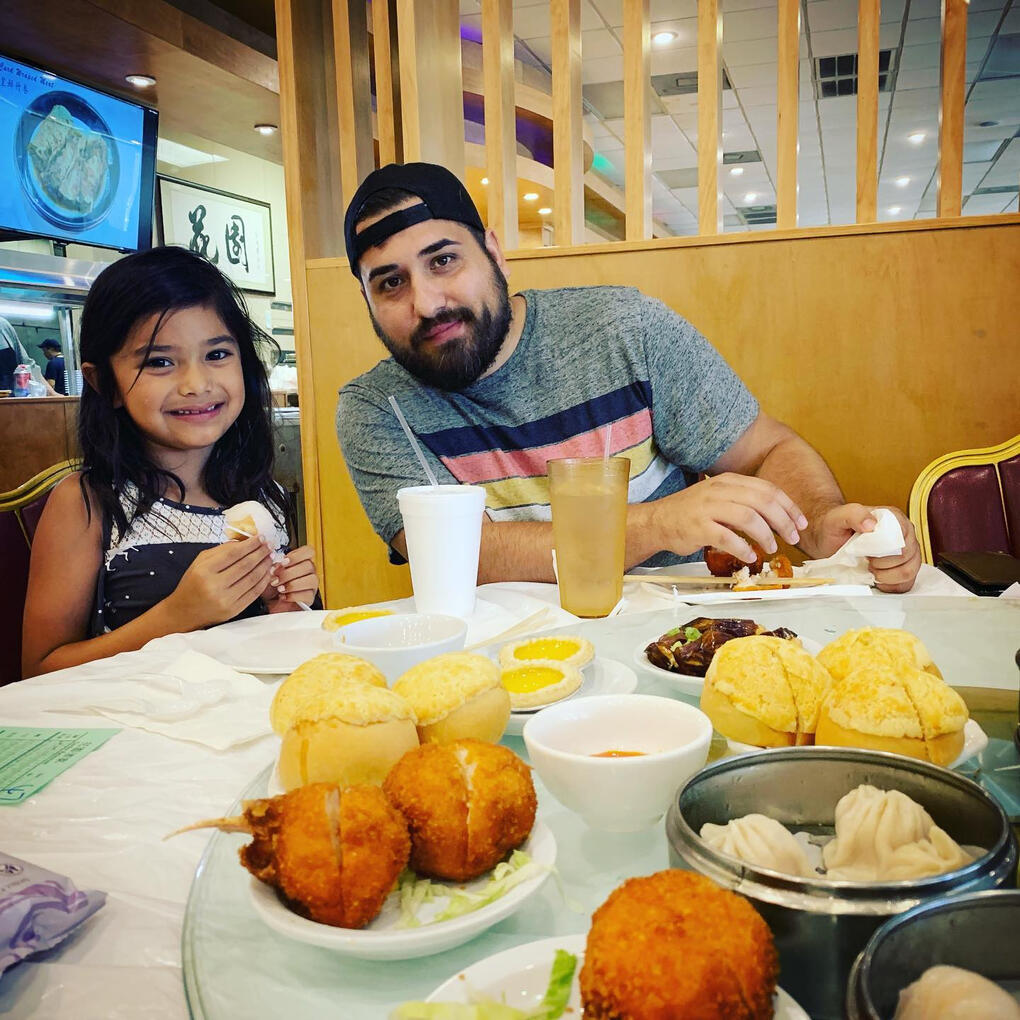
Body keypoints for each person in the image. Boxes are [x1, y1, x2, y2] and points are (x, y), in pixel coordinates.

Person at [336, 162, 921, 593]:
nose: (427, 302)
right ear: (366, 301)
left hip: (682, 630)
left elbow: (765, 450)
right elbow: (462, 554)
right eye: (390, 283)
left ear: (493, 251)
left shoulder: (622, 328)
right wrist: (659, 522)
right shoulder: (376, 410)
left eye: (444, 260)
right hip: (507, 663)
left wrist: (816, 522)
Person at [22, 246, 320, 678]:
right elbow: (38, 670)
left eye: (217, 354)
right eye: (160, 362)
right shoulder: (87, 502)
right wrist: (176, 617)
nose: (196, 384)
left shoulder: (262, 492)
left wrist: (286, 606)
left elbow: (260, 647)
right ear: (105, 382)